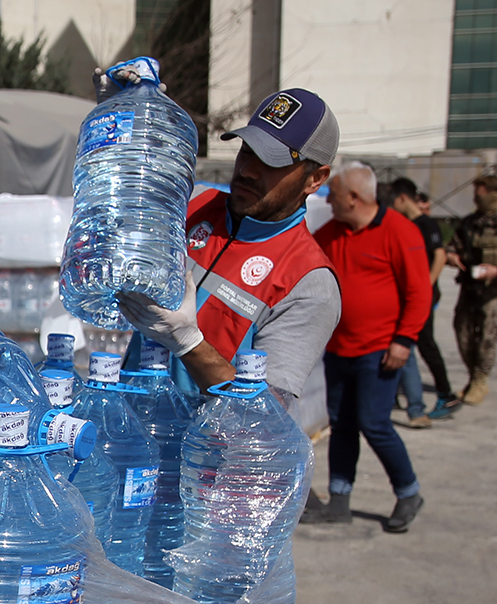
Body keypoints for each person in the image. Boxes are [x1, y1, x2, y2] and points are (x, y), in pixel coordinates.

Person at [113, 86, 342, 401]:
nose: (248, 171)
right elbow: (123, 193)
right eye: (247, 151)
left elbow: (267, 414)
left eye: (271, 161)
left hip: (205, 448)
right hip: (134, 432)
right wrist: (119, 113)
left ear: (315, 178)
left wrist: (189, 344)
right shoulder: (194, 204)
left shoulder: (309, 282)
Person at [304, 163, 433, 533]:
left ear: (355, 198)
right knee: (342, 424)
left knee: (374, 423)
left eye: (335, 196)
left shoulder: (399, 231)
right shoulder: (331, 233)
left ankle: (408, 492)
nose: (328, 203)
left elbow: (419, 293)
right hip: (339, 350)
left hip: (379, 350)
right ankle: (340, 500)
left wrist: (404, 340)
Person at [390, 176, 460, 423]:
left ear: (402, 198)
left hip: (424, 295)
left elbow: (439, 257)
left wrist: (425, 287)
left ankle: (445, 394)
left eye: (393, 200)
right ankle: (396, 397)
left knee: (425, 344)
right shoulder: (405, 224)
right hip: (413, 295)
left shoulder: (425, 224)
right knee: (408, 343)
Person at [445, 174, 497, 406]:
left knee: (486, 335)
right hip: (469, 286)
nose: (476, 197)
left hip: (492, 290)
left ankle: (480, 380)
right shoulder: (469, 223)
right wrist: (452, 257)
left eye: (481, 192)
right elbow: (451, 247)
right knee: (462, 331)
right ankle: (472, 375)